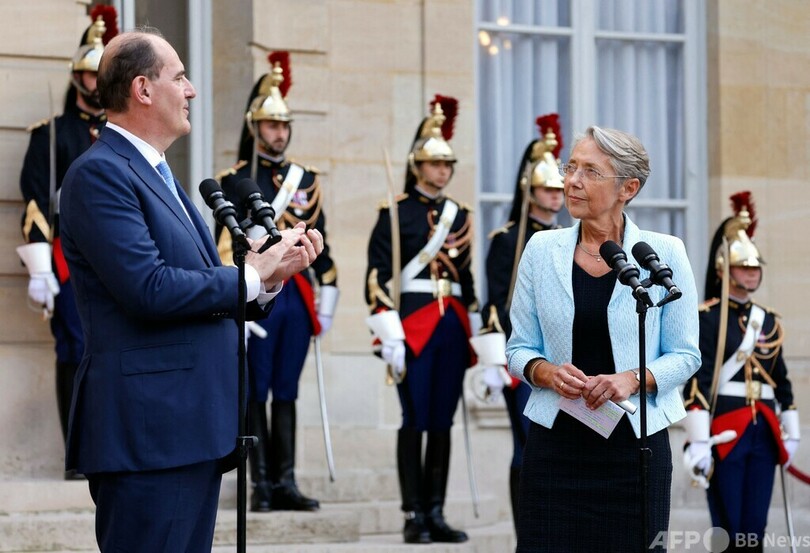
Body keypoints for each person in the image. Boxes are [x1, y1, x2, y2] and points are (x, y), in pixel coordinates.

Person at [58, 28, 323, 553]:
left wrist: (271, 275)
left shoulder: (160, 174)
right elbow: (149, 288)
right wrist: (250, 275)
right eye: (179, 76)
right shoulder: (101, 174)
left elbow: (196, 289)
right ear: (143, 90)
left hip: (188, 428)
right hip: (151, 432)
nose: (192, 89)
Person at [505, 125, 700, 551]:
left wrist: (630, 379)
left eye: (590, 171)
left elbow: (686, 355)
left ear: (627, 188)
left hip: (634, 450)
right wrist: (546, 372)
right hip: (554, 447)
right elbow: (518, 349)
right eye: (570, 166)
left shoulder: (663, 253)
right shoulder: (541, 249)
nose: (572, 180)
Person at [216, 51, 338, 512]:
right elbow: (220, 244)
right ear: (254, 127)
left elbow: (320, 237)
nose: (279, 132)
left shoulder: (307, 179)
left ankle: (285, 480)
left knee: (287, 387)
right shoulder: (235, 179)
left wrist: (328, 292)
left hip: (298, 294)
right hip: (256, 291)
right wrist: (236, 296)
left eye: (284, 124)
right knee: (257, 388)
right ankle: (260, 483)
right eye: (270, 124)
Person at [365, 95, 477, 544]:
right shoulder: (395, 213)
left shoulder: (460, 215)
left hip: (451, 324)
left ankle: (436, 510)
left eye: (447, 163)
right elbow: (375, 276)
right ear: (417, 165)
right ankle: (413, 512)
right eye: (435, 164)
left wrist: (484, 341)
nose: (443, 170)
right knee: (415, 417)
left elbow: (466, 279)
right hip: (412, 324)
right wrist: (387, 330)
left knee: (443, 421)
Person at [16, 7, 116, 479]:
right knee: (75, 350)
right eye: (88, 74)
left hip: (119, 256)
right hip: (70, 257)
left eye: (102, 75)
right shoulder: (52, 134)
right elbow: (35, 203)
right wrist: (39, 267)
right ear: (76, 76)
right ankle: (79, 453)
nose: (94, 83)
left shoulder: (122, 136)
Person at [682, 191, 800, 552]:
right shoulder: (707, 318)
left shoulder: (768, 321)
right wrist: (699, 440)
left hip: (762, 430)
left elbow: (780, 380)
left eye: (755, 267)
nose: (752, 273)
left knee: (755, 528)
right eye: (744, 267)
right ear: (724, 269)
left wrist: (791, 430)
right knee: (728, 525)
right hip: (724, 432)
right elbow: (696, 384)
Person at [476, 113, 565, 531]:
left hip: (565, 361)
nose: (555, 197)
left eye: (559, 189)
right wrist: (495, 360)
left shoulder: (570, 237)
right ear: (531, 188)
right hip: (524, 359)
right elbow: (494, 303)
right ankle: (527, 532)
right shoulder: (509, 240)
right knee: (528, 446)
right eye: (547, 189)